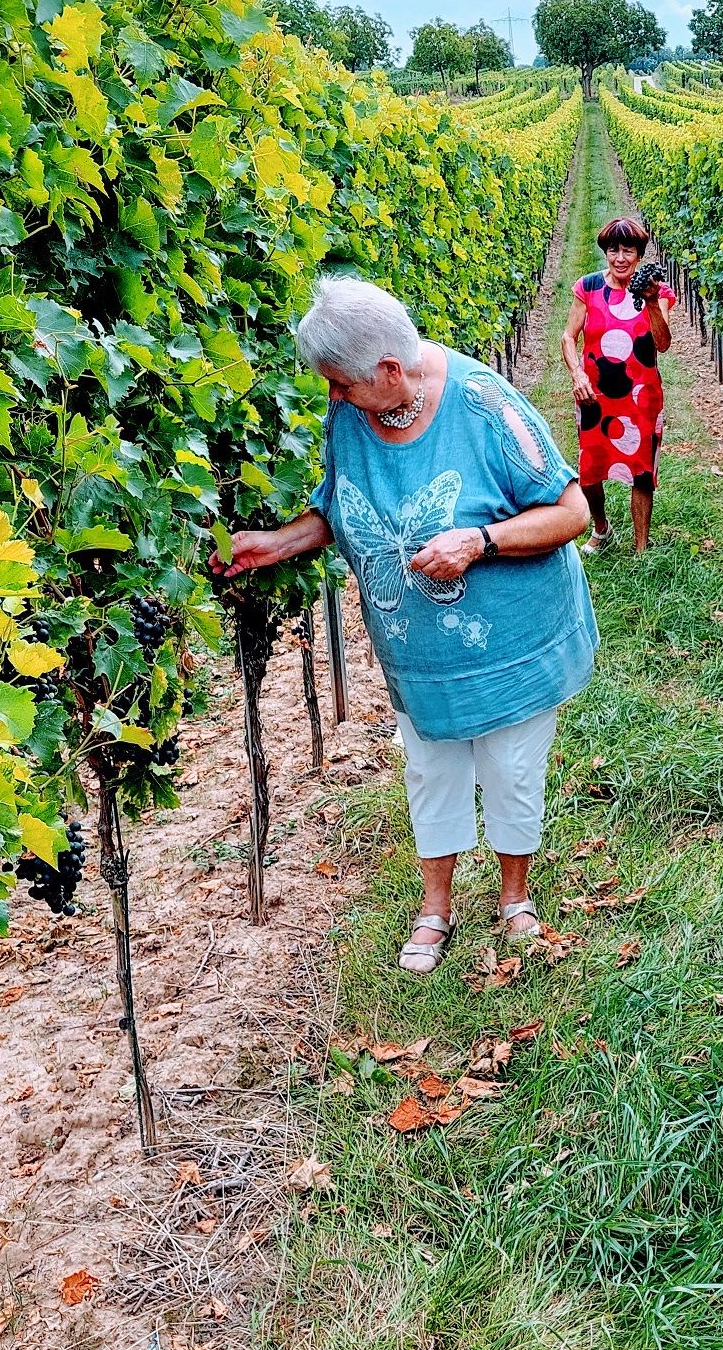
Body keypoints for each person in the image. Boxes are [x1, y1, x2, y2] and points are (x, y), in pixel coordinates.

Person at [211, 272, 595, 975]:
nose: (333, 397)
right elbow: (343, 507)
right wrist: (278, 542)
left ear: (389, 369)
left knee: (510, 770)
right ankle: (435, 908)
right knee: (431, 771)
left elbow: (572, 513)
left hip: (513, 642)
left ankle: (515, 901)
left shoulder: (485, 407)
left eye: (342, 384)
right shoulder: (355, 412)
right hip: (417, 654)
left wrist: (478, 541)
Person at [561, 213, 675, 553]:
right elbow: (568, 337)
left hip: (642, 396)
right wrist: (577, 374)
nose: (620, 258)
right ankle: (601, 528)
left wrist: (652, 301)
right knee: (590, 468)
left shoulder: (658, 292)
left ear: (639, 254)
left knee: (641, 470)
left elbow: (663, 343)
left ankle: (642, 547)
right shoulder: (588, 287)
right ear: (605, 253)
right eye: (613, 250)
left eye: (628, 251)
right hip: (594, 396)